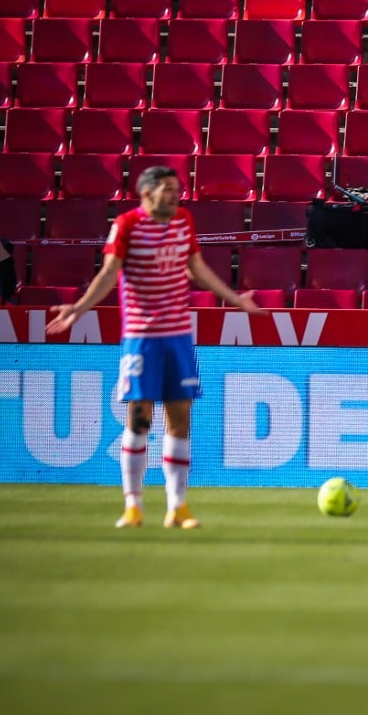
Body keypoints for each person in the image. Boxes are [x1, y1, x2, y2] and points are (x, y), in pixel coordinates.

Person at [45, 166, 264, 530]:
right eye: (167, 189)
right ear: (146, 194)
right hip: (142, 337)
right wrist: (79, 308)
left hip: (178, 336)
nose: (176, 194)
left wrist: (235, 299)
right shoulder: (127, 225)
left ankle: (177, 507)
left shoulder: (183, 221)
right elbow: (109, 273)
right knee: (140, 419)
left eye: (177, 188)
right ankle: (133, 505)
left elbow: (197, 267)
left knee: (180, 419)